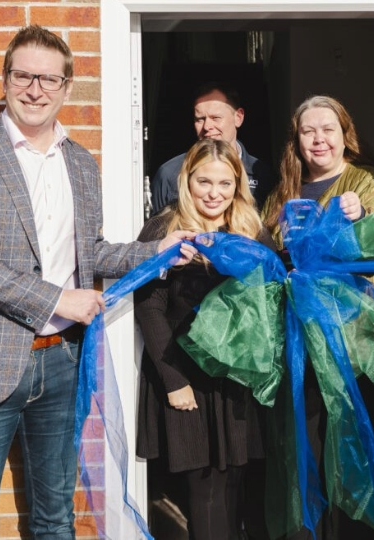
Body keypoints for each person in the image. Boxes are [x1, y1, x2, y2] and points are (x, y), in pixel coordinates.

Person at [0, 25, 195, 539]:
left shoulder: (80, 162)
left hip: (62, 363)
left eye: (49, 79)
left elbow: (87, 252)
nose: (35, 90)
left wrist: (154, 251)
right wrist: (58, 298)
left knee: (56, 520)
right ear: (4, 81)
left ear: (67, 88)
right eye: (23, 76)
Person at [260, 95, 374, 539]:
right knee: (311, 448)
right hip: (302, 342)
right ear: (296, 140)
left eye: (328, 129)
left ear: (346, 135)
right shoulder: (286, 188)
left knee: (359, 446)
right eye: (308, 131)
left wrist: (361, 220)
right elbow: (265, 248)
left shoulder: (366, 181)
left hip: (356, 345)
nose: (318, 139)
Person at [135, 138, 272, 540]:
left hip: (237, 381)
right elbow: (148, 307)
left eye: (225, 184)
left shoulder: (250, 229)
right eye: (204, 182)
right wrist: (173, 381)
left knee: (233, 485)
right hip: (185, 375)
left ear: (238, 185)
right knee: (204, 489)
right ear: (187, 180)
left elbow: (269, 298)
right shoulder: (165, 229)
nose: (214, 193)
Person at [149, 83, 277, 216]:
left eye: (216, 118)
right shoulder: (170, 174)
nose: (207, 126)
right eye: (200, 119)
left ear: (238, 118)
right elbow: (156, 231)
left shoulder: (263, 175)